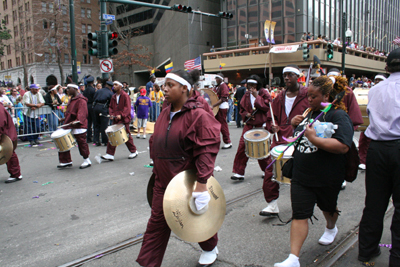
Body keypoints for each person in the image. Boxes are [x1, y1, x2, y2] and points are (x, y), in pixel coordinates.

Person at [136, 69, 221, 267]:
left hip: (187, 182)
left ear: (184, 88)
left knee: (193, 217)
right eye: (164, 85)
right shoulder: (165, 111)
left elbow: (206, 150)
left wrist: (201, 185)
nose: (164, 89)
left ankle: (209, 246)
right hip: (162, 180)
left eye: (170, 85)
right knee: (156, 225)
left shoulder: (198, 115)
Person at [274, 76, 353, 267]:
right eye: (308, 96)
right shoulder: (309, 113)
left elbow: (343, 146)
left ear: (327, 95)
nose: (309, 100)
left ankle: (331, 227)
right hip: (302, 174)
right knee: (299, 214)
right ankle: (293, 259)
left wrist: (315, 139)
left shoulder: (338, 115)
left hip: (327, 176)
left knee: (328, 207)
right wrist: (294, 124)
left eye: (314, 96)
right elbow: (297, 138)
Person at [358, 49, 400, 265]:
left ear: (386, 68)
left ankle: (366, 249)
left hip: (377, 149)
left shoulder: (374, 90)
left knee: (374, 203)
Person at [261, 65, 309, 216]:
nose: (286, 78)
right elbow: (271, 118)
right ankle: (272, 204)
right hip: (280, 138)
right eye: (284, 75)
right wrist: (272, 127)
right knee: (270, 169)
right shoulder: (280, 97)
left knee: (302, 172)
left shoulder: (307, 94)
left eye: (290, 75)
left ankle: (303, 204)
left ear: (297, 77)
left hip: (301, 137)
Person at [231, 75, 272, 181]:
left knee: (262, 149)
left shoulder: (264, 93)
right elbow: (242, 108)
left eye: (253, 85)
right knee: (242, 147)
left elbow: (267, 106)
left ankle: (267, 170)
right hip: (249, 125)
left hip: (261, 125)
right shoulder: (246, 94)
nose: (251, 87)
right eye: (249, 85)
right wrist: (246, 114)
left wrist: (256, 96)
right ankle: (238, 172)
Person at [101, 81, 138, 161]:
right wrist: (111, 114)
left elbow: (127, 107)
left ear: (120, 86)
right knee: (112, 135)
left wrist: (121, 115)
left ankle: (133, 151)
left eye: (116, 85)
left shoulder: (125, 96)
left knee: (126, 136)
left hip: (124, 119)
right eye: (113, 85)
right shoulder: (114, 96)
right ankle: (110, 154)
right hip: (116, 118)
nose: (114, 86)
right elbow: (110, 107)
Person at [57, 84, 91, 169]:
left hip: (79, 125)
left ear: (75, 89)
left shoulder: (81, 100)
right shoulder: (72, 99)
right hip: (70, 123)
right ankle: (66, 161)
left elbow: (82, 114)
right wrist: (64, 119)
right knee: (63, 141)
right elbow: (71, 113)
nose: (67, 90)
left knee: (82, 143)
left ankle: (87, 160)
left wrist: (76, 121)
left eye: (69, 88)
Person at [357, 73, 387, 170]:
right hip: (369, 122)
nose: (377, 82)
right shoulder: (371, 91)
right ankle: (363, 161)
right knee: (363, 142)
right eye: (376, 80)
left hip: (381, 123)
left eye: (380, 80)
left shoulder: (387, 92)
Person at [0, 103, 23, 183]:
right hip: (5, 134)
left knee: (9, 153)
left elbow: (1, 123)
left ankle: (16, 174)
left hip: (6, 135)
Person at [213, 73, 232, 149]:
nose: (216, 80)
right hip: (218, 107)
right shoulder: (218, 86)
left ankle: (228, 141)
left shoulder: (223, 86)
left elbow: (223, 98)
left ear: (221, 78)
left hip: (221, 107)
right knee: (218, 125)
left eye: (217, 78)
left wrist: (213, 105)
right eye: (216, 78)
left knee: (223, 125)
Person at [93, 80, 113, 146]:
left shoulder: (98, 91)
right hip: (103, 108)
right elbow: (111, 103)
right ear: (110, 87)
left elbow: (94, 98)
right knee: (104, 125)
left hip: (96, 107)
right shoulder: (110, 93)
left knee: (96, 124)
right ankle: (104, 140)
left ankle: (96, 140)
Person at [82, 76, 96, 143]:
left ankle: (89, 137)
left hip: (86, 106)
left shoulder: (85, 91)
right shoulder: (93, 90)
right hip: (92, 106)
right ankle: (95, 137)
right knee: (95, 122)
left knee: (88, 123)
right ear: (92, 82)